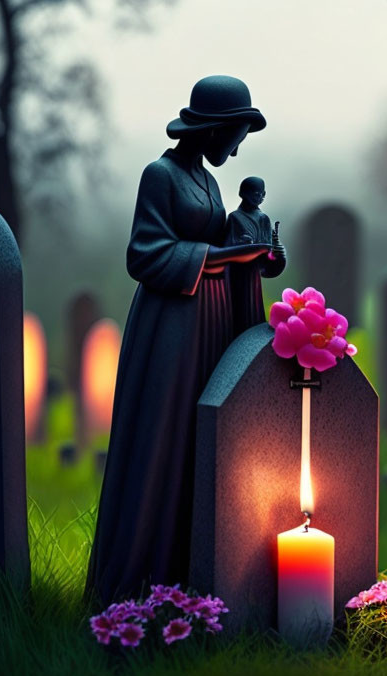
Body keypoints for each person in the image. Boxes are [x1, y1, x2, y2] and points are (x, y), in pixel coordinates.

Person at [86, 76, 270, 605]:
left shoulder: (210, 183)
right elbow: (143, 255)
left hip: (212, 320)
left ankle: (194, 579)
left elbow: (223, 244)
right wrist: (230, 257)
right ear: (210, 128)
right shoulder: (160, 175)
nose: (236, 149)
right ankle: (139, 582)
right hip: (171, 324)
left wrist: (255, 258)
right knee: (162, 437)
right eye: (233, 136)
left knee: (199, 439)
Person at [225, 176, 286, 337]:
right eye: (254, 193)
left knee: (253, 308)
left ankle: (252, 340)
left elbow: (268, 248)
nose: (258, 197)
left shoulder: (263, 218)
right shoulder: (234, 218)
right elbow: (225, 247)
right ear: (242, 193)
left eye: (261, 194)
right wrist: (241, 244)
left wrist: (274, 254)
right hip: (237, 272)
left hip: (254, 273)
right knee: (237, 310)